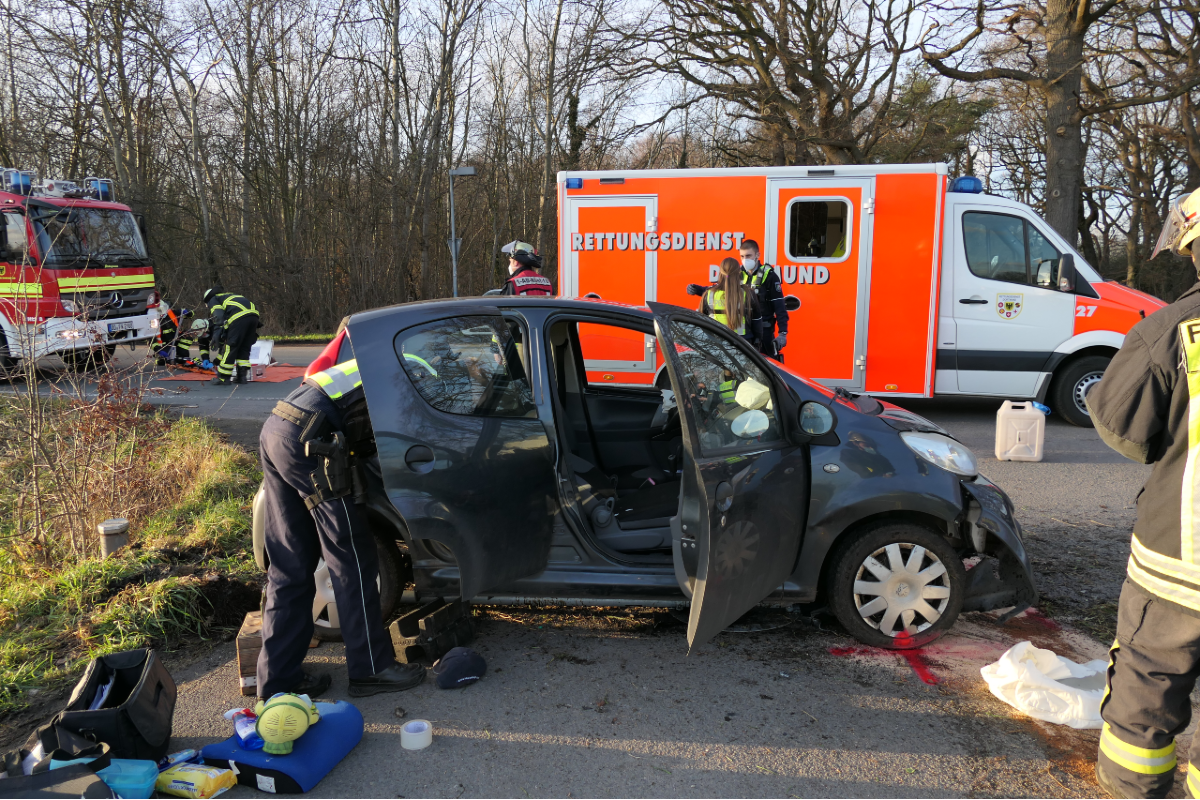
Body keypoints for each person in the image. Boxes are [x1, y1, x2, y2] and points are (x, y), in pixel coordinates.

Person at [1087, 186, 1200, 799]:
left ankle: (1133, 788)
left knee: (1147, 687)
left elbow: (1123, 428)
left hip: (1180, 559)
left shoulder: (1173, 329)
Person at [258, 357, 426, 699]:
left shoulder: (392, 354)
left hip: (279, 427)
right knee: (351, 558)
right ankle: (371, 669)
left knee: (289, 564)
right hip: (314, 439)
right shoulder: (422, 376)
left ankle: (277, 684)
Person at [739, 239, 789, 361]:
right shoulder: (737, 275)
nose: (745, 259)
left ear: (757, 255)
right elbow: (719, 289)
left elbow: (779, 306)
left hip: (764, 332)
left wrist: (782, 333)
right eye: (742, 256)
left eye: (748, 256)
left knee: (768, 367)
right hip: (743, 332)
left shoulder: (769, 276)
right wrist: (699, 290)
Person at [203, 286, 261, 385]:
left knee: (231, 346)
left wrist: (219, 333)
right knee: (244, 347)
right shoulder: (230, 296)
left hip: (239, 317)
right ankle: (241, 377)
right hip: (254, 317)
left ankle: (223, 378)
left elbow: (219, 316)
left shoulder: (213, 299)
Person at [699, 257, 760, 345]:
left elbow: (701, 321)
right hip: (742, 344)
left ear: (720, 273)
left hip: (715, 344)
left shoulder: (709, 294)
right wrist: (757, 341)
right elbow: (757, 321)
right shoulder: (748, 293)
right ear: (739, 273)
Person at [152, 300, 192, 366]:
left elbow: (190, 314)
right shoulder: (153, 321)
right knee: (162, 362)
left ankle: (181, 356)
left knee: (187, 337)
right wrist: (158, 350)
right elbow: (151, 339)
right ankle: (161, 358)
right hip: (163, 344)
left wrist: (188, 312)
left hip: (176, 338)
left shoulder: (172, 313)